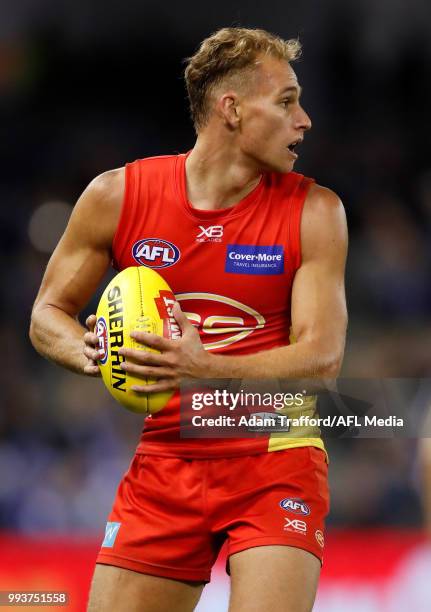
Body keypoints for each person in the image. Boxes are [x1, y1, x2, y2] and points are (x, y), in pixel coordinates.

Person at [30, 27, 348, 612]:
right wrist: (91, 351)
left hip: (275, 458)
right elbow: (48, 314)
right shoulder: (118, 195)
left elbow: (322, 355)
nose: (304, 119)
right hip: (166, 457)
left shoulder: (317, 210)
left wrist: (207, 364)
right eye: (285, 101)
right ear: (231, 109)